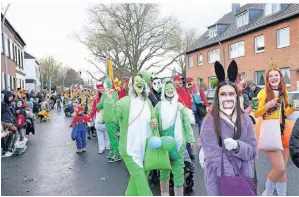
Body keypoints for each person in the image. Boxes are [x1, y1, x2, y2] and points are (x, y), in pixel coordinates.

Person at [200, 60, 257, 195]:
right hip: (220, 181)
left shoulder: (245, 119)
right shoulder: (210, 122)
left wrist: (238, 146)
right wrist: (233, 181)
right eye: (223, 94)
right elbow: (214, 155)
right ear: (217, 97)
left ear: (236, 96)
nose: (227, 97)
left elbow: (253, 150)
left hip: (244, 178)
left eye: (231, 94)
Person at [103, 74, 157, 196]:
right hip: (130, 149)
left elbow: (153, 116)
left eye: (141, 81)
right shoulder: (124, 102)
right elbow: (110, 118)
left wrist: (154, 121)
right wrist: (109, 100)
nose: (140, 83)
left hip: (147, 149)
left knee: (136, 180)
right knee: (141, 180)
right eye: (137, 81)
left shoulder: (147, 101)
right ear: (131, 85)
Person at [254, 66, 295, 196]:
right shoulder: (261, 93)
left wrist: (293, 108)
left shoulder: (285, 92)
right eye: (270, 76)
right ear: (267, 79)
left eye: (276, 75)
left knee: (283, 170)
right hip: (269, 130)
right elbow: (255, 113)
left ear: (280, 77)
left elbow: (285, 111)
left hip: (283, 130)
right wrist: (267, 106)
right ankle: (268, 193)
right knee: (280, 167)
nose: (273, 78)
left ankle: (282, 194)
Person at [155, 79, 195, 196]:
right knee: (164, 170)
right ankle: (165, 194)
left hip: (179, 144)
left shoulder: (180, 106)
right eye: (167, 88)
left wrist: (190, 139)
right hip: (164, 145)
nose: (170, 90)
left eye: (171, 88)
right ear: (164, 90)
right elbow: (154, 122)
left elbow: (186, 123)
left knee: (178, 171)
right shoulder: (158, 106)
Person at [89, 83, 110, 153]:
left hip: (106, 114)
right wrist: (90, 116)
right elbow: (93, 109)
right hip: (98, 115)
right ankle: (101, 147)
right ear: (97, 89)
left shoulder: (108, 96)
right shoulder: (96, 99)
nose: (101, 89)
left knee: (107, 131)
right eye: (99, 88)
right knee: (99, 131)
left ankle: (107, 145)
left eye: (102, 88)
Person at [1, 91, 17, 157]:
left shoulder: (11, 104)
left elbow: (13, 113)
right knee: (6, 136)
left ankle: (8, 148)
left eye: (12, 97)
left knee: (12, 135)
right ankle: (5, 150)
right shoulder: (2, 104)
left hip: (11, 123)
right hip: (4, 123)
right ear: (6, 96)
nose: (10, 98)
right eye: (10, 97)